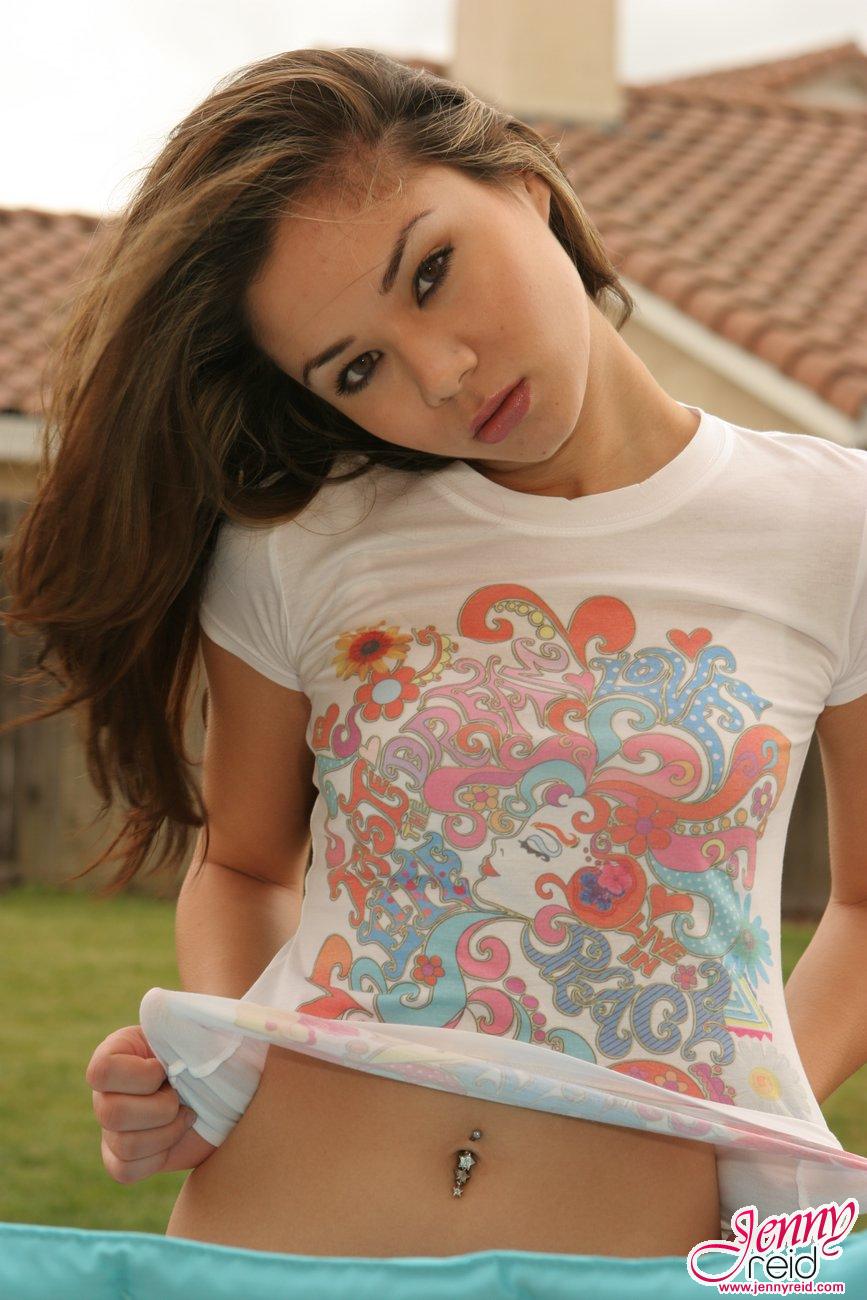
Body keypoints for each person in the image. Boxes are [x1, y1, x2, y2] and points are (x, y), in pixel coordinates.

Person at [5, 46, 867, 1264]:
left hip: (645, 1260)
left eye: (431, 272)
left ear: (523, 182)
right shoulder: (298, 543)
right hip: (283, 1238)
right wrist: (223, 1068)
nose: (444, 372)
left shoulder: (835, 523)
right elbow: (243, 866)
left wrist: (741, 1113)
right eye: (357, 368)